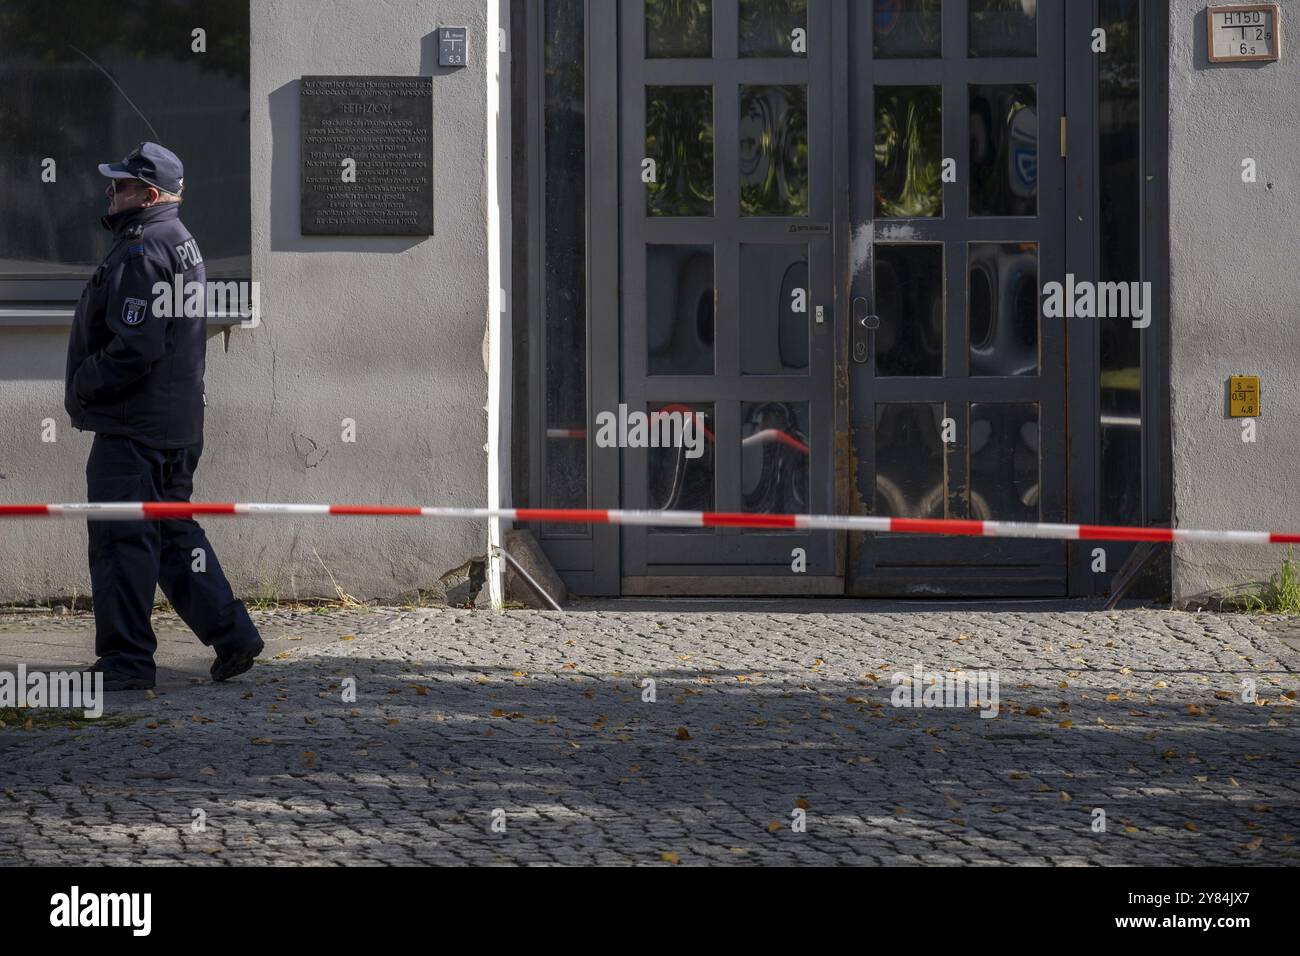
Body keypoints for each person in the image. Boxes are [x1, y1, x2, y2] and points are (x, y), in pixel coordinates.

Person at [64, 142, 263, 691]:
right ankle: (233, 635)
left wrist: (82, 385)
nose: (111, 193)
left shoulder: (144, 249)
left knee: (121, 542)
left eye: (120, 186)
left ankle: (126, 663)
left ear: (148, 195)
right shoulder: (178, 240)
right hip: (173, 425)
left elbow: (135, 345)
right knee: (175, 536)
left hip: (134, 428)